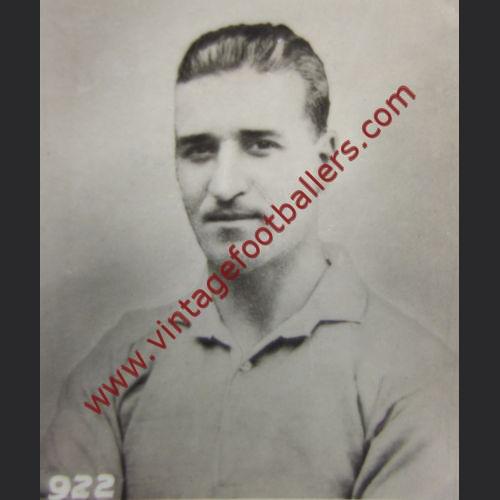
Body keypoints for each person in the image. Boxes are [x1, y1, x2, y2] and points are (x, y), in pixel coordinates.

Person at [41, 23, 457, 499]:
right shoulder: (118, 362)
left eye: (260, 145)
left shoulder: (418, 378)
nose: (224, 186)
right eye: (198, 150)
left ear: (325, 162)